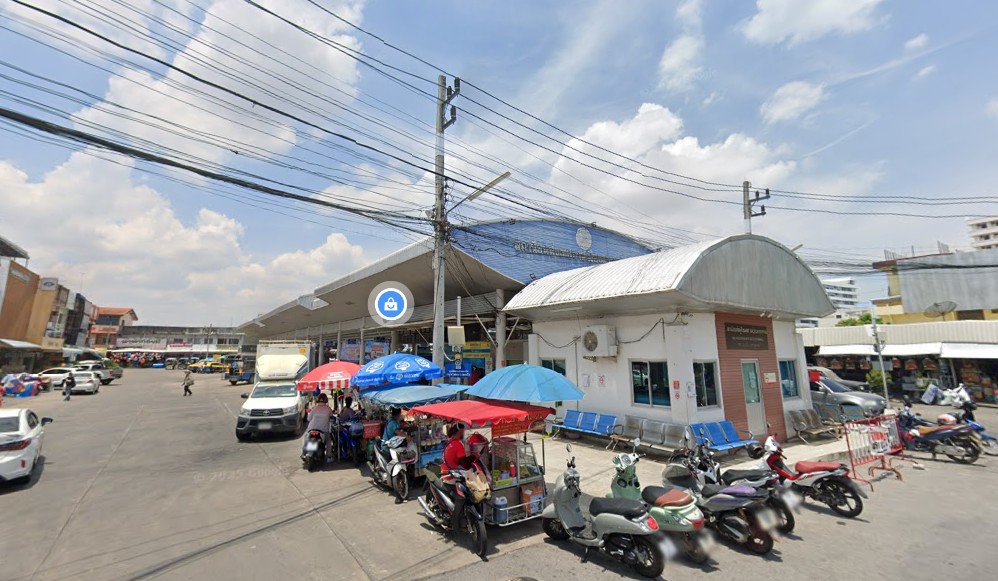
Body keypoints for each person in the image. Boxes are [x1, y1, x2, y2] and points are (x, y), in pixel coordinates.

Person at [441, 423, 473, 530]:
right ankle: (455, 521)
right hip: (451, 477)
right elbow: (464, 463)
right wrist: (474, 457)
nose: (464, 434)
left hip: (445, 471)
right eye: (463, 432)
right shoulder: (457, 445)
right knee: (461, 497)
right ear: (460, 432)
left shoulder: (450, 441)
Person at [306, 393, 335, 460]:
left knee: (307, 439)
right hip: (323, 430)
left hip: (311, 429)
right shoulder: (328, 409)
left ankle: (305, 452)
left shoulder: (314, 408)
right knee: (329, 441)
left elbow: (308, 419)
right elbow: (332, 418)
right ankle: (329, 456)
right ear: (326, 400)